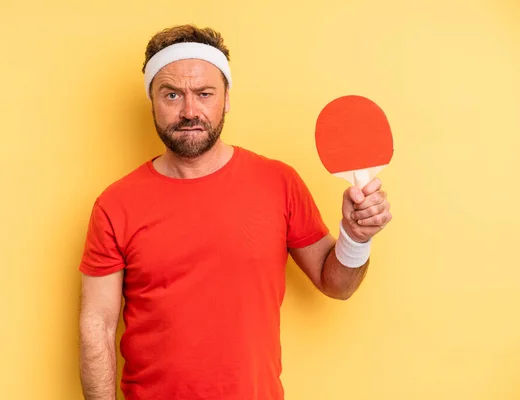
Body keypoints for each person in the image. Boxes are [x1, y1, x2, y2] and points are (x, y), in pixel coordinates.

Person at [78, 24, 392, 400]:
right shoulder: (115, 204)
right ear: (152, 100)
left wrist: (355, 237)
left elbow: (337, 284)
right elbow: (96, 323)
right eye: (172, 94)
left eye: (204, 93)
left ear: (226, 98)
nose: (189, 111)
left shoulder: (279, 182)